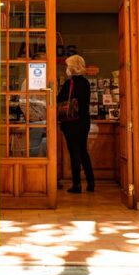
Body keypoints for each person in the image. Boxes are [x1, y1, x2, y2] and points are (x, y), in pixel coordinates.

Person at [57, 54, 94, 193]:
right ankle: (91, 182)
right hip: (84, 121)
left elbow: (60, 99)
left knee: (73, 153)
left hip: (71, 122)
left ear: (72, 67)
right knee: (83, 151)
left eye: (67, 66)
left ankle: (77, 184)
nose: (66, 68)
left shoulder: (69, 83)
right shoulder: (86, 83)